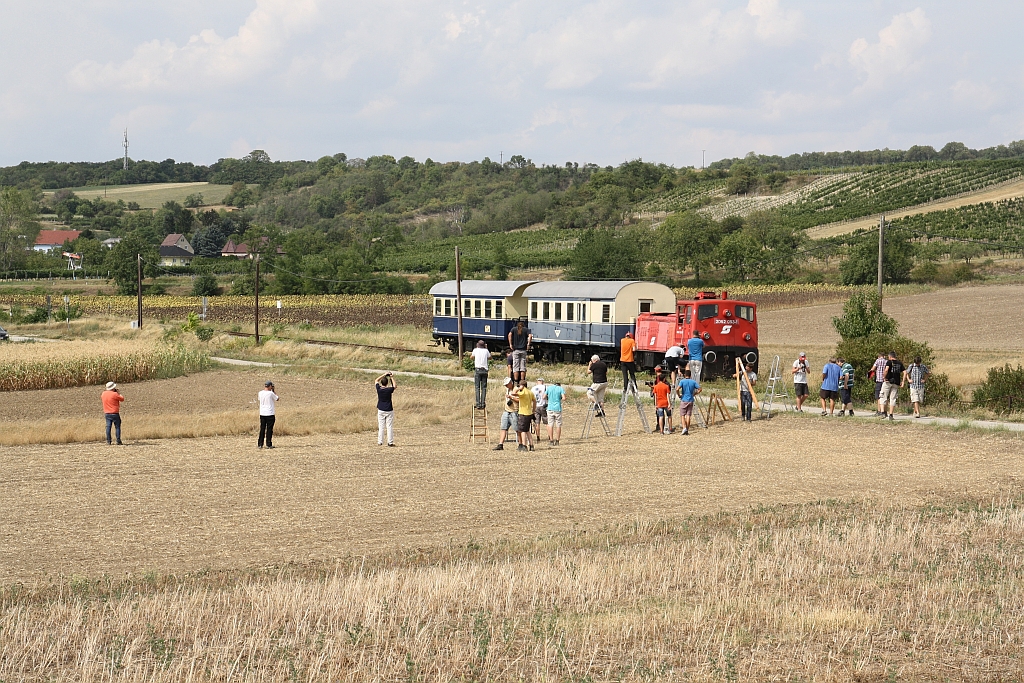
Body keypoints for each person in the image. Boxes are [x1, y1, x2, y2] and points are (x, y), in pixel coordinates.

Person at [878, 351, 905, 422]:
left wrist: (884, 377)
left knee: (883, 396)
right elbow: (905, 372)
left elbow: (886, 370)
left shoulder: (889, 362)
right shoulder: (899, 363)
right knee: (893, 398)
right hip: (896, 382)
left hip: (888, 381)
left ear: (890, 356)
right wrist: (903, 381)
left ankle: (883, 412)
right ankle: (891, 415)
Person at [493, 377, 518, 450]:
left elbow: (519, 400)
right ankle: (500, 444)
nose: (506, 386)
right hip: (506, 411)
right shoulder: (507, 390)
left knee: (517, 429)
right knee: (503, 428)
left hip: (514, 411)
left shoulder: (516, 389)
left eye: (507, 384)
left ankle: (520, 444)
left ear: (511, 383)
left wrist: (512, 397)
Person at [676, 369, 701, 435]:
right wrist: (694, 394)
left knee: (682, 415)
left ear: (685, 375)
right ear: (690, 375)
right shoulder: (693, 382)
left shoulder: (682, 381)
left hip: (684, 399)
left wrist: (679, 395)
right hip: (691, 400)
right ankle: (687, 429)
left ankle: (684, 428)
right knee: (688, 415)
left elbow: (677, 389)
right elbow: (700, 389)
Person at [375, 373, 396, 446]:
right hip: (389, 409)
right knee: (389, 426)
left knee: (381, 426)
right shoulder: (389, 390)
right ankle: (390, 442)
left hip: (381, 409)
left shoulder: (379, 389)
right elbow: (394, 386)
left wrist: (384, 374)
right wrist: (391, 377)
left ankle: (380, 441)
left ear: (381, 383)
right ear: (387, 383)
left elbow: (376, 380)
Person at [101, 381, 125, 445]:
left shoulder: (103, 394)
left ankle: (108, 441)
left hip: (107, 413)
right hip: (115, 413)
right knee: (117, 427)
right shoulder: (115, 394)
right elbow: (122, 399)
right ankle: (118, 440)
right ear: (113, 388)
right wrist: (118, 393)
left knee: (108, 426)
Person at [258, 380, 280, 449]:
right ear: (270, 386)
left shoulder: (260, 393)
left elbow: (259, 399)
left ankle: (260, 444)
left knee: (262, 429)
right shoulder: (271, 393)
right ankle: (268, 444)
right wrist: (273, 391)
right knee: (269, 429)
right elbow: (277, 398)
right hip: (270, 413)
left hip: (262, 413)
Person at [515, 381, 535, 452]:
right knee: (527, 430)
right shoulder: (530, 392)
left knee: (522, 430)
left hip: (523, 413)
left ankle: (524, 445)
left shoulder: (523, 392)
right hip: (529, 413)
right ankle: (531, 445)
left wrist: (517, 389)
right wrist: (533, 410)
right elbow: (534, 401)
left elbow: (514, 394)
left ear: (522, 386)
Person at [471, 341, 491, 409]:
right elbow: (490, 357)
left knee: (477, 387)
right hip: (485, 370)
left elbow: (471, 357)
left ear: (478, 345)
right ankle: (482, 403)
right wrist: (486, 348)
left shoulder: (475, 350)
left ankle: (478, 404)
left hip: (478, 370)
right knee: (484, 388)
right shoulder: (486, 351)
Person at [545, 381, 565, 446]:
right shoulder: (560, 389)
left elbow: (543, 396)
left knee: (550, 424)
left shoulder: (549, 388)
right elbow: (564, 398)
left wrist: (548, 398)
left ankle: (551, 440)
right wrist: (560, 398)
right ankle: (557, 440)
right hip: (557, 408)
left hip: (550, 408)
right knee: (558, 424)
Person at [531, 377, 548, 442]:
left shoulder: (533, 388)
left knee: (537, 422)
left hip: (536, 406)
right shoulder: (545, 387)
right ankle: (549, 436)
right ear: (542, 382)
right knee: (546, 422)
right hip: (543, 405)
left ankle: (538, 436)